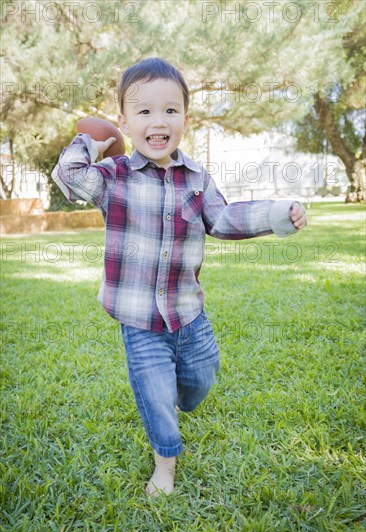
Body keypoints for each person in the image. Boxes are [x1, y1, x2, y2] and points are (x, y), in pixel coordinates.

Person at [52, 57, 307, 497]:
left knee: (199, 382)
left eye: (170, 110)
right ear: (126, 122)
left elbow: (225, 219)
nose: (158, 120)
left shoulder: (197, 179)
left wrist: (276, 213)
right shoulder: (113, 178)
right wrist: (95, 139)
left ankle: (180, 398)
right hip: (140, 323)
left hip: (190, 315)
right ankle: (165, 464)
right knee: (155, 396)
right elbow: (69, 177)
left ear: (185, 120)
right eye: (144, 111)